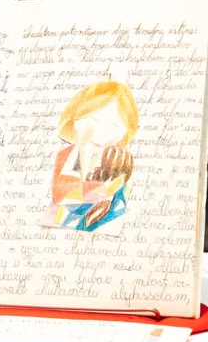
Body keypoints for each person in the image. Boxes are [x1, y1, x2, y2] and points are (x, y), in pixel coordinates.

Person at [45, 80, 138, 232]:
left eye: (116, 126)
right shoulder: (67, 155)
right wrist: (104, 189)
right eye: (96, 119)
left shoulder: (118, 164)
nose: (103, 134)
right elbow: (62, 194)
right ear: (76, 119)